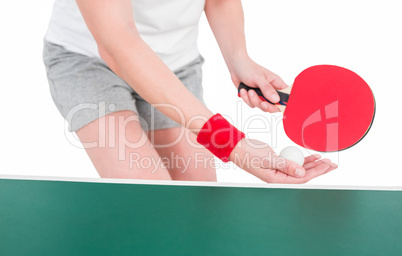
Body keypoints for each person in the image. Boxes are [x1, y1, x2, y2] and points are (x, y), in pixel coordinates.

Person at [43, 0, 337, 184]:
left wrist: (239, 59)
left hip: (176, 63)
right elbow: (117, 45)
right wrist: (232, 144)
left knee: (196, 199)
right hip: (88, 59)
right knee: (148, 195)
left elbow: (220, 1)